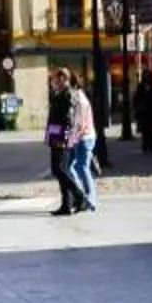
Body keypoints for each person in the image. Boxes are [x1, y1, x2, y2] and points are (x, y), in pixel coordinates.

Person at [43, 69, 80, 216]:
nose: (54, 82)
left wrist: (63, 139)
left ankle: (79, 196)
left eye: (57, 80)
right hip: (55, 133)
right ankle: (66, 204)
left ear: (64, 79)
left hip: (61, 135)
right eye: (54, 80)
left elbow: (68, 120)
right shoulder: (60, 94)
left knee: (58, 169)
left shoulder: (68, 94)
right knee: (60, 169)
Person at [63, 74, 99, 212]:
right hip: (81, 137)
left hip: (84, 138)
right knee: (70, 166)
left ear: (73, 85)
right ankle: (79, 196)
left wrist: (70, 141)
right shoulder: (77, 98)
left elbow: (80, 125)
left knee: (82, 167)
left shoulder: (80, 100)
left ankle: (89, 199)